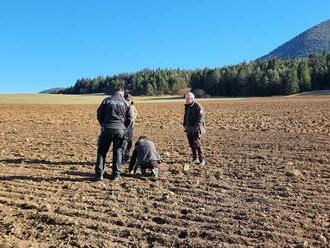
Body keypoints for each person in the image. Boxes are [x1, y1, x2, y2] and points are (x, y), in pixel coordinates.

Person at [95, 89, 133, 181]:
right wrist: (124, 127)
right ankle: (116, 175)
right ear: (122, 93)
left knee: (102, 152)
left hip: (106, 129)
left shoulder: (106, 100)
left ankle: (99, 174)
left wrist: (103, 124)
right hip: (120, 130)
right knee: (118, 152)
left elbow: (99, 114)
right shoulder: (126, 103)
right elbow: (130, 118)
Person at [183, 92, 206, 166]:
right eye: (186, 98)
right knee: (191, 144)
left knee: (197, 144)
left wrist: (196, 128)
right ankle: (195, 158)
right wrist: (185, 124)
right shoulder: (187, 106)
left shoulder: (197, 106)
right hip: (189, 128)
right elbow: (185, 115)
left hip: (196, 129)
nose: (186, 100)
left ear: (192, 99)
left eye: (188, 98)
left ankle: (202, 160)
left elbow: (201, 118)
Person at [122, 92, 138, 163]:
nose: (128, 101)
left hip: (130, 127)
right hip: (124, 127)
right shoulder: (122, 106)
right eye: (126, 99)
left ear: (131, 100)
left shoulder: (132, 106)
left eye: (129, 100)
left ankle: (126, 155)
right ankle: (122, 157)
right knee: (123, 142)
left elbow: (136, 113)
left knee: (129, 142)